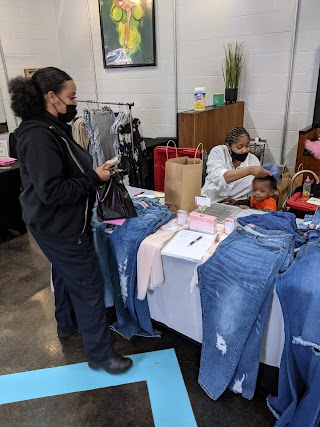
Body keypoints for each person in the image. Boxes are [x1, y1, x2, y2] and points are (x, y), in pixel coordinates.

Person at [9, 67, 132, 374]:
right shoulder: (39, 136)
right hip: (61, 226)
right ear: (51, 97)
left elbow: (62, 173)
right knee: (89, 285)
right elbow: (52, 191)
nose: (75, 102)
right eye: (71, 96)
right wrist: (93, 178)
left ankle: (66, 324)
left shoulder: (50, 128)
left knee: (64, 274)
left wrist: (95, 174)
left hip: (54, 224)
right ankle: (101, 355)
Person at [201, 127, 271, 202]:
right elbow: (219, 178)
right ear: (228, 146)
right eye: (239, 147)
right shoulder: (218, 152)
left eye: (247, 146)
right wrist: (249, 170)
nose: (245, 150)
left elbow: (254, 190)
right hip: (210, 200)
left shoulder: (253, 161)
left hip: (236, 204)